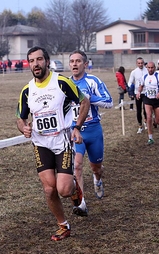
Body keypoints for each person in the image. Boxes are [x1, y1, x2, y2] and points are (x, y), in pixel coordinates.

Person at [16, 46, 90, 241]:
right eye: (31, 61)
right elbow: (20, 118)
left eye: (39, 59)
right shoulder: (26, 91)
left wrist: (77, 127)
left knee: (63, 190)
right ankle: (63, 226)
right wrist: (23, 128)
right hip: (40, 143)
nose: (36, 64)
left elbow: (84, 102)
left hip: (62, 141)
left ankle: (75, 189)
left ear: (47, 61)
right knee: (49, 189)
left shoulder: (62, 82)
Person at [69, 50, 113, 217]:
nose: (74, 64)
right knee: (77, 166)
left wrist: (87, 98)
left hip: (93, 130)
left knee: (96, 167)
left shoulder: (93, 81)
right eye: (72, 61)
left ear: (85, 64)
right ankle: (81, 203)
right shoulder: (65, 84)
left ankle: (97, 179)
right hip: (76, 131)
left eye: (78, 61)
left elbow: (109, 102)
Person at [136, 62, 159, 145]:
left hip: (157, 100)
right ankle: (150, 138)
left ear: (155, 68)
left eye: (152, 68)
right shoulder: (144, 77)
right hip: (147, 99)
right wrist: (139, 92)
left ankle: (155, 121)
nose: (150, 69)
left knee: (158, 121)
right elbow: (141, 85)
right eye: (149, 68)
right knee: (149, 117)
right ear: (147, 68)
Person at [128, 57, 148, 134]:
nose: (140, 64)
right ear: (136, 64)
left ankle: (146, 122)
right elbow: (130, 82)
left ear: (143, 63)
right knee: (138, 110)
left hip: (146, 92)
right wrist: (131, 88)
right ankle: (140, 126)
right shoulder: (134, 72)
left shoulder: (147, 70)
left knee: (146, 109)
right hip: (137, 93)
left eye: (141, 63)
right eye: (139, 63)